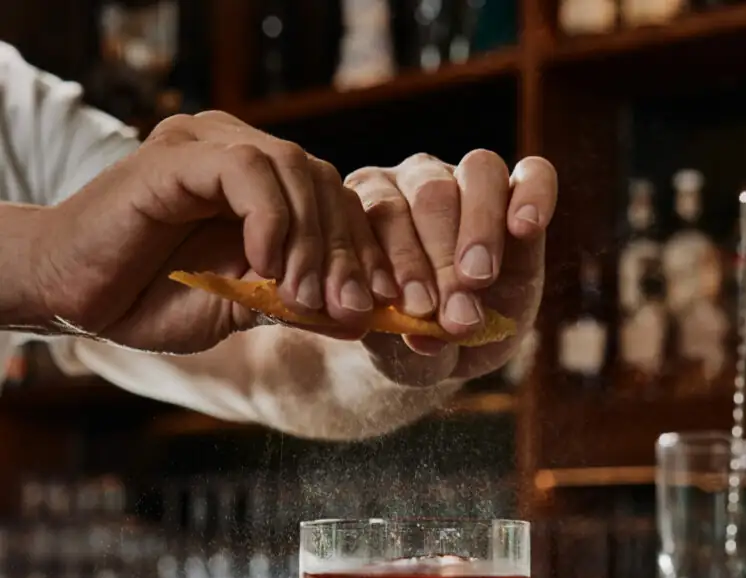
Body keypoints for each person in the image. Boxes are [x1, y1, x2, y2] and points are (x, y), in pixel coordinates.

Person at [0, 43, 557, 441]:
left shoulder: (18, 112)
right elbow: (73, 260)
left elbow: (262, 358)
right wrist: (40, 261)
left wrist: (400, 316)